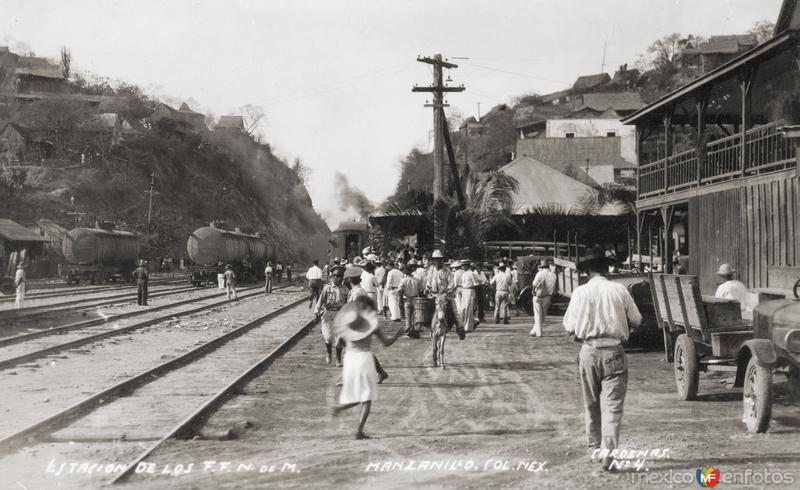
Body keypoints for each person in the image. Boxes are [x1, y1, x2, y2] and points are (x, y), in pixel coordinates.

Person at [563, 257, 642, 471]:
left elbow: (569, 325)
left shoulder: (580, 292)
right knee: (613, 407)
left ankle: (595, 449)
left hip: (588, 351)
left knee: (591, 402)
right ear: (607, 269)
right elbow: (637, 320)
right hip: (614, 351)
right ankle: (610, 454)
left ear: (588, 272)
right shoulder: (620, 290)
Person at [331, 297, 405, 439]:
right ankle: (358, 431)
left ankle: (341, 408)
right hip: (364, 358)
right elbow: (386, 343)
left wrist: (349, 338)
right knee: (366, 398)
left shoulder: (348, 324)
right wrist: (397, 335)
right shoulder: (372, 325)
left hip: (350, 358)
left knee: (356, 394)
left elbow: (339, 344)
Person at [425, 250, 464, 340]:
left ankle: (460, 327)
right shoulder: (431, 271)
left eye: (439, 259)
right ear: (433, 260)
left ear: (441, 260)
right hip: (434, 295)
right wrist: (431, 292)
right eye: (435, 259)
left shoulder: (447, 271)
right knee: (424, 310)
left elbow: (451, 284)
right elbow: (428, 284)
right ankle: (422, 327)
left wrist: (445, 292)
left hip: (445, 296)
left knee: (454, 310)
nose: (437, 261)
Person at [315, 266, 348, 364]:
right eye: (337, 276)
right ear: (332, 276)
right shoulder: (327, 288)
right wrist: (316, 313)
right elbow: (320, 301)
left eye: (341, 276)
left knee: (340, 338)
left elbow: (348, 303)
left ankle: (338, 359)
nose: (339, 278)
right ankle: (329, 352)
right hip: (328, 314)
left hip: (340, 314)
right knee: (328, 337)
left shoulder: (345, 289)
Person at [531, 258, 557, 337]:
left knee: (537, 314)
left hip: (538, 295)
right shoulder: (553, 275)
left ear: (541, 267)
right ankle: (534, 331)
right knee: (543, 315)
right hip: (548, 296)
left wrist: (533, 291)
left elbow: (534, 283)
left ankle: (539, 332)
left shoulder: (540, 273)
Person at [458, 260, 482, 332]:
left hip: (470, 291)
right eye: (462, 265)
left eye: (464, 265)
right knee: (463, 310)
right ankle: (473, 322)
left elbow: (476, 284)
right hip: (464, 291)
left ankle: (468, 328)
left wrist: (473, 291)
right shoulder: (463, 274)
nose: (462, 267)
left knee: (468, 310)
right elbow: (462, 284)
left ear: (467, 266)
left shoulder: (471, 273)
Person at [398, 264, 420, 337]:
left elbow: (400, 291)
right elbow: (421, 290)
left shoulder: (403, 280)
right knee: (416, 316)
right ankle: (416, 330)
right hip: (416, 299)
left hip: (407, 299)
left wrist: (400, 299)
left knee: (408, 316)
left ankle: (408, 330)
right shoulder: (417, 280)